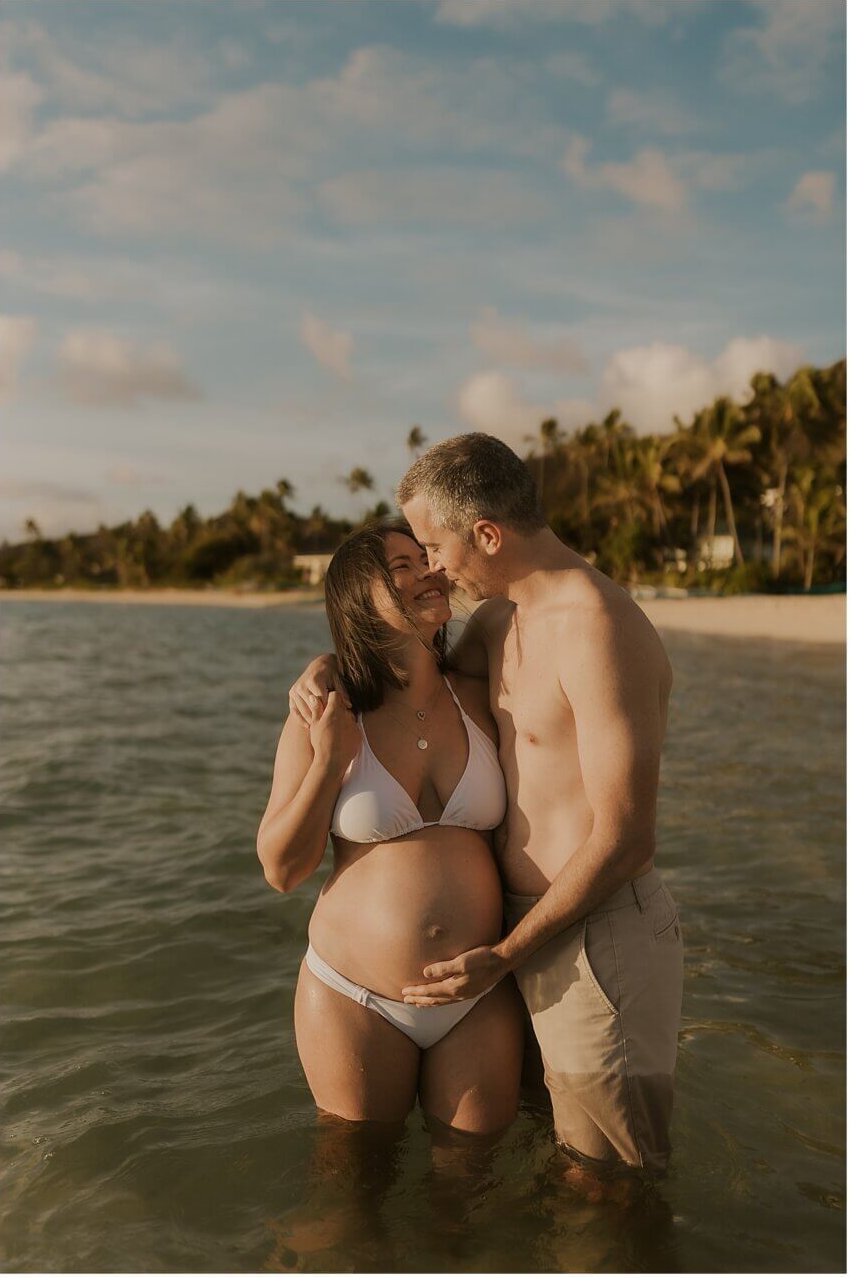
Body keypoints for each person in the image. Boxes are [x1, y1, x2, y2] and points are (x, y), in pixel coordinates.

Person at [290, 435, 684, 1184]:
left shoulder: (599, 628)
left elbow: (628, 838)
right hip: (519, 931)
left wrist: (504, 955)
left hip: (593, 936)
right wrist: (325, 668)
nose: (433, 567)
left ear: (488, 535)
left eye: (434, 546)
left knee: (609, 1183)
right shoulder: (501, 624)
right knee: (544, 1162)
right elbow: (411, 673)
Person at [257, 519, 524, 1133]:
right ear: (359, 600)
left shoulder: (482, 697)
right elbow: (281, 870)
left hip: (476, 993)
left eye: (426, 559)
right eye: (401, 567)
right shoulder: (323, 712)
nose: (428, 572)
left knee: (468, 1196)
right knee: (350, 1193)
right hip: (355, 995)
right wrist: (328, 760)